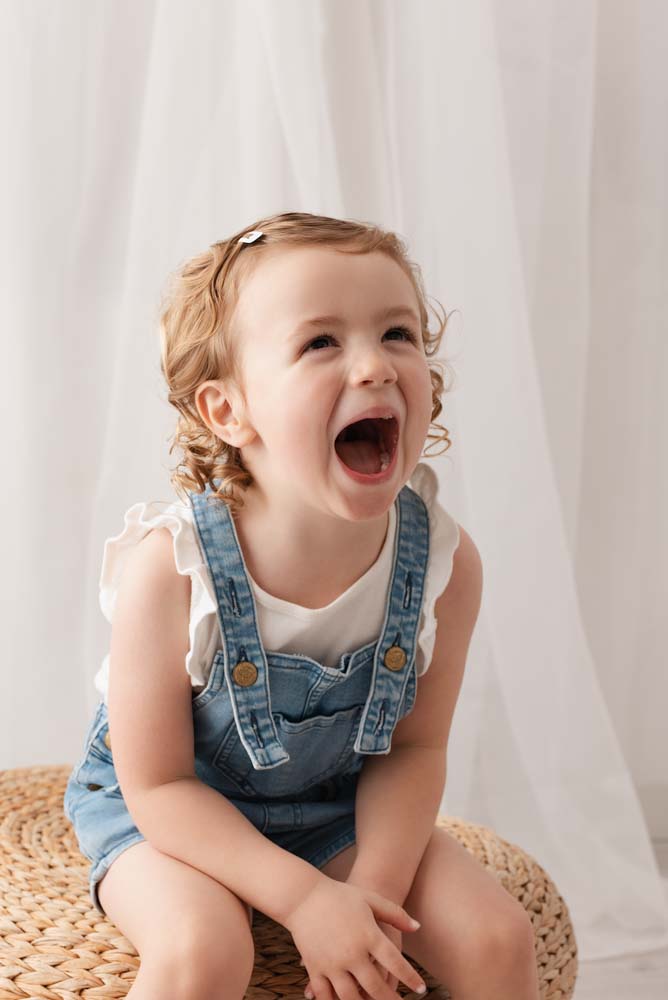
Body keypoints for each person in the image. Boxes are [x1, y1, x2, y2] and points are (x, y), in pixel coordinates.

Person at [63, 212, 539, 1000]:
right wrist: (305, 899)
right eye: (321, 343)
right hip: (172, 811)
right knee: (203, 950)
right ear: (227, 412)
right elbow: (159, 786)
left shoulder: (444, 568)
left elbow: (413, 753)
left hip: (332, 806)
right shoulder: (173, 571)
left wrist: (371, 905)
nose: (375, 367)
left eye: (397, 333)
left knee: (498, 939)